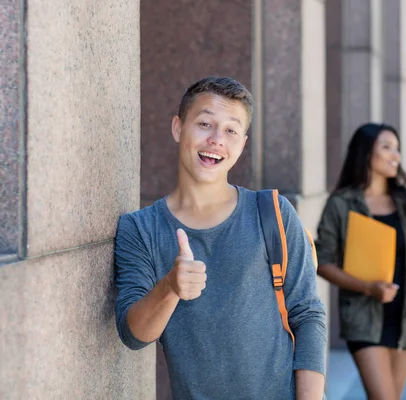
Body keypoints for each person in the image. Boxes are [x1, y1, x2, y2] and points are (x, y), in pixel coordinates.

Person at [114, 77, 327, 399]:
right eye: (204, 124)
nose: (216, 139)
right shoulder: (141, 228)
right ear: (177, 128)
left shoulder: (271, 212)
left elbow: (307, 313)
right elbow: (134, 334)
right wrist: (170, 286)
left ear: (242, 143)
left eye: (230, 130)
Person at [315, 123, 406, 399]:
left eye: (397, 148)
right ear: (367, 153)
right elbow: (322, 261)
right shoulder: (341, 204)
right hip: (363, 318)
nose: (396, 155)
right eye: (387, 147)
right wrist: (368, 288)